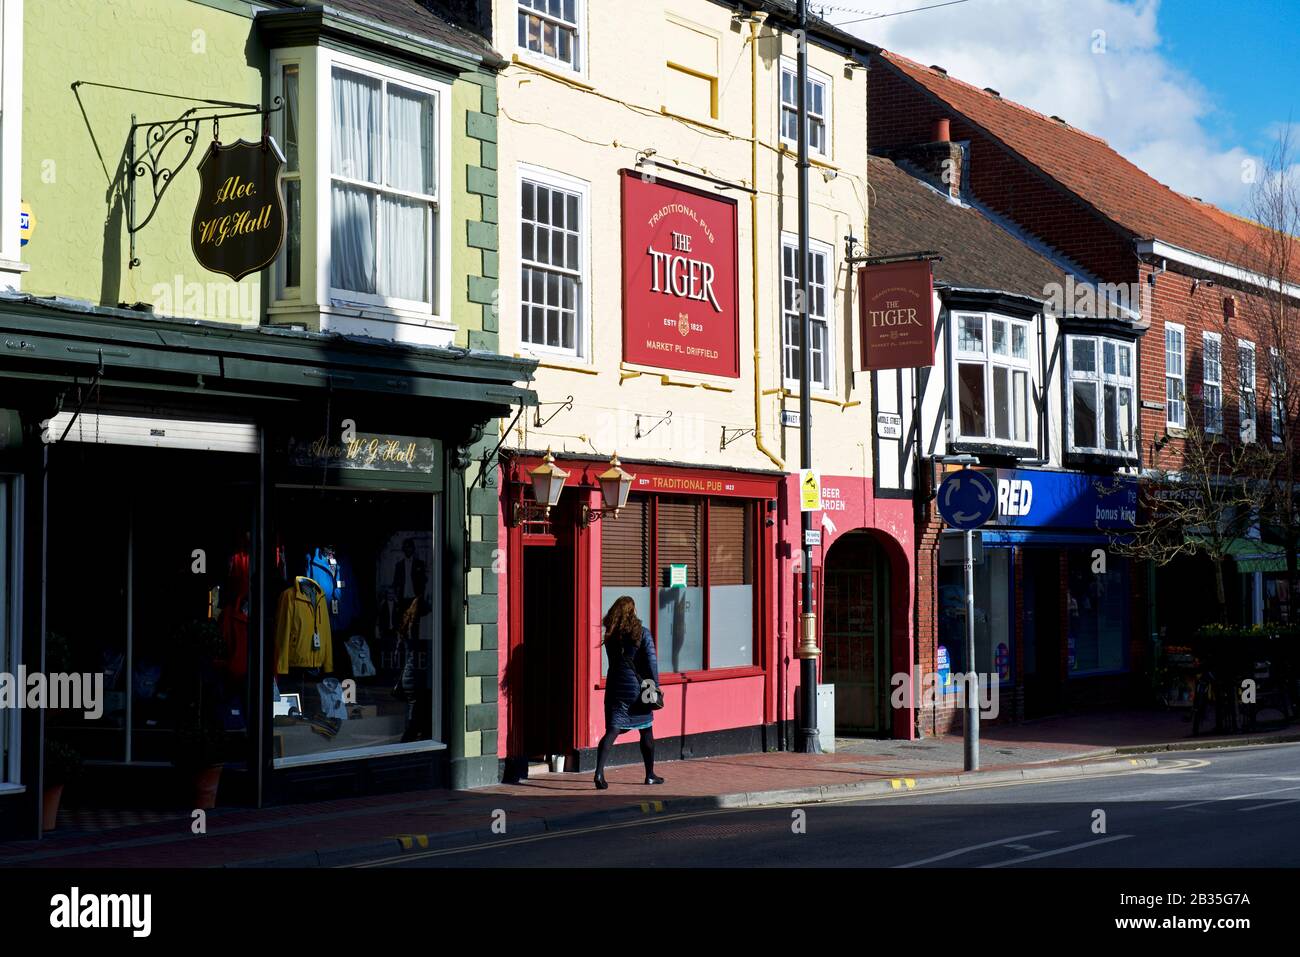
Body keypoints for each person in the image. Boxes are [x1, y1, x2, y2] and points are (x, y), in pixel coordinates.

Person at [594, 595, 664, 789]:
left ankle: (599, 773)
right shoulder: (641, 633)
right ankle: (650, 774)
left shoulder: (611, 635)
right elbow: (651, 662)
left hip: (615, 687)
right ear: (632, 612)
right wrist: (655, 686)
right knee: (646, 730)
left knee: (613, 729)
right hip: (636, 689)